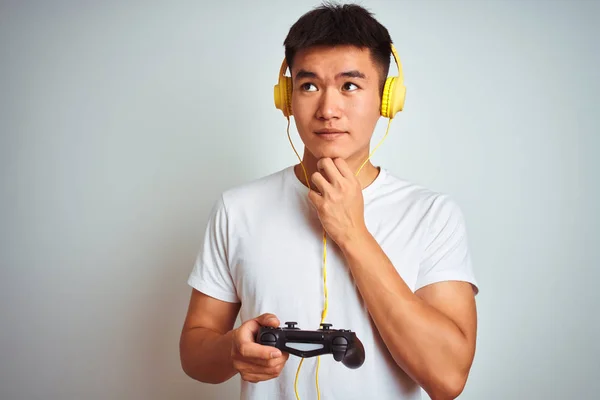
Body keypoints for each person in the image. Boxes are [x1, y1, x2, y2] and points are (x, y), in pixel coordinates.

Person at [179, 3, 479, 400]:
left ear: (387, 99)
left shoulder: (433, 215)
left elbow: (448, 378)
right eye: (309, 85)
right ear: (286, 98)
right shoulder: (237, 209)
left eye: (350, 86)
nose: (328, 109)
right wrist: (232, 350)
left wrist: (353, 232)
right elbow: (194, 353)